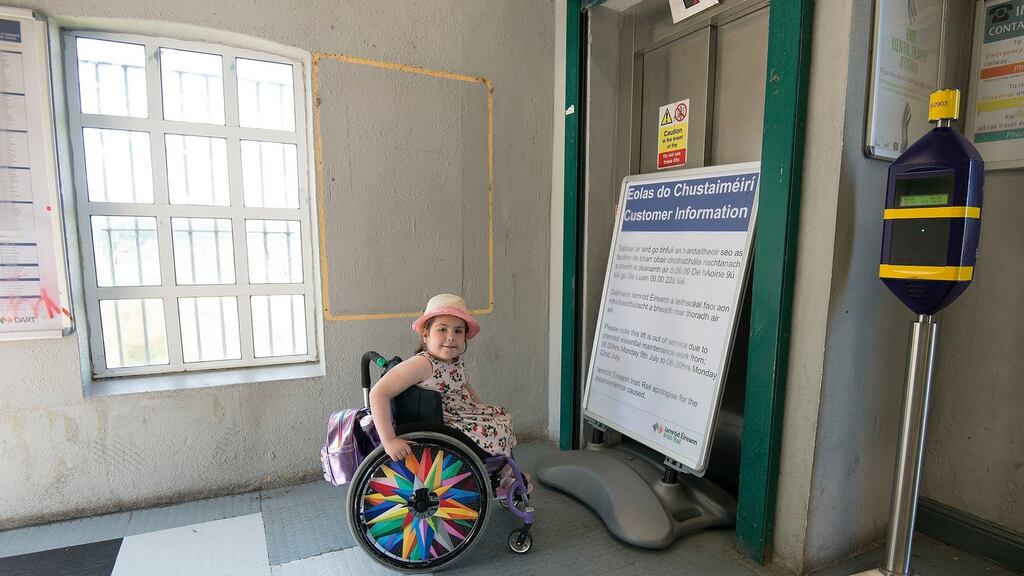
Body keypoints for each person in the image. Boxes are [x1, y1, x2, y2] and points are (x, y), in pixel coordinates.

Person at [368, 293, 527, 494]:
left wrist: (482, 410)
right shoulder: (423, 363)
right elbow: (378, 393)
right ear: (425, 335)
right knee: (495, 427)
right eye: (442, 329)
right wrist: (389, 441)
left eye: (458, 331)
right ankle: (499, 475)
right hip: (443, 422)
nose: (451, 337)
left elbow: (465, 387)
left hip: (462, 412)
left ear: (464, 337)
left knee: (501, 417)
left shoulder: (455, 360)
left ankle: (503, 472)